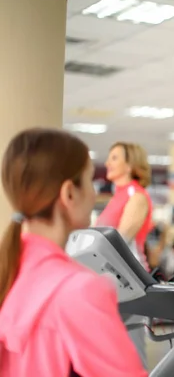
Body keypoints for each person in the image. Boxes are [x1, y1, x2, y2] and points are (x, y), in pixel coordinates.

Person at [0, 128, 147, 377]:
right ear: (69, 193)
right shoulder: (81, 291)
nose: (93, 194)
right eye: (89, 181)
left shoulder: (9, 271)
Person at [95, 141, 153, 370]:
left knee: (132, 356)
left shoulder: (136, 196)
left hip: (132, 284)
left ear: (130, 165)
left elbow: (119, 241)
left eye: (115, 157)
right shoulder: (116, 197)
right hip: (111, 283)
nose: (108, 162)